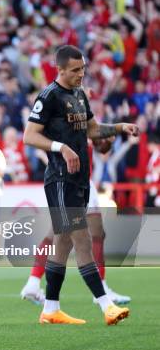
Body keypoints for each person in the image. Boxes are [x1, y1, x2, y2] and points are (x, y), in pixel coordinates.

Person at [23, 44, 138, 325]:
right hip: (60, 180)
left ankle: (50, 308)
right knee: (82, 239)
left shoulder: (79, 95)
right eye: (75, 70)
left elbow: (93, 129)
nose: (81, 74)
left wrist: (120, 126)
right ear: (59, 69)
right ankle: (106, 305)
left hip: (79, 180)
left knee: (62, 244)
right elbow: (29, 135)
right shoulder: (49, 96)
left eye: (83, 68)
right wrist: (61, 146)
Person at [20, 179, 131, 305]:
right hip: (76, 178)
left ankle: (33, 283)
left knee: (57, 233)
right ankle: (101, 289)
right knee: (94, 233)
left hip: (60, 177)